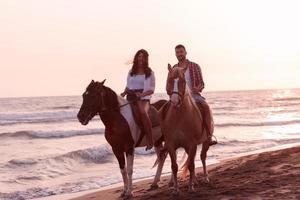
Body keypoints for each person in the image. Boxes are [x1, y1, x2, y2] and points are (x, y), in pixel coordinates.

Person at [173, 44, 217, 146]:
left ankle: (208, 135)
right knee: (165, 111)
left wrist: (198, 88)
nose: (179, 54)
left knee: (205, 107)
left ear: (185, 53)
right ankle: (167, 138)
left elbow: (201, 83)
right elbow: (171, 83)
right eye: (177, 52)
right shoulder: (174, 68)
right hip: (179, 96)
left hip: (194, 96)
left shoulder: (194, 66)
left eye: (181, 52)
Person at [121, 49, 155, 151]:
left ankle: (150, 139)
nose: (141, 59)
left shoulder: (150, 72)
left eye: (143, 57)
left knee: (142, 112)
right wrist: (124, 92)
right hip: (131, 96)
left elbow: (151, 89)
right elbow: (128, 85)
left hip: (144, 98)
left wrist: (142, 94)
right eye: (139, 56)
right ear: (136, 58)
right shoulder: (131, 72)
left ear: (146, 59)